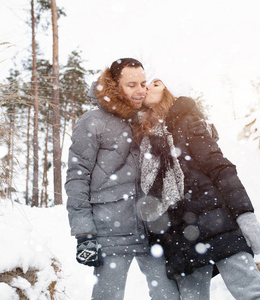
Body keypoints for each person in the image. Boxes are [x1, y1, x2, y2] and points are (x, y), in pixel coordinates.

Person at [134, 77, 260, 300]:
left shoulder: (188, 122)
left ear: (170, 90)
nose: (148, 87)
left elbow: (219, 167)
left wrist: (245, 214)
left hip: (217, 224)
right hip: (179, 236)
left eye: (157, 83)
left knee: (253, 293)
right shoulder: (146, 139)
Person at [65, 59, 180, 300]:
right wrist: (84, 233)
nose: (140, 90)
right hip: (110, 230)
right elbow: (77, 176)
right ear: (115, 86)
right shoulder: (93, 121)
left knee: (169, 296)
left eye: (143, 83)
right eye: (131, 85)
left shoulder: (149, 117)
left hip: (153, 229)